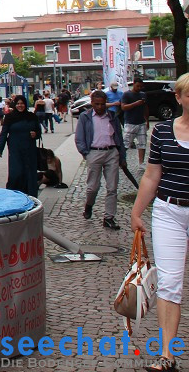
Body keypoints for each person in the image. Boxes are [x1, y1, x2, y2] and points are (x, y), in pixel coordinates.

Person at [130, 73, 189, 372]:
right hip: (169, 212)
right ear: (178, 98)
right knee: (169, 285)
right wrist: (138, 211)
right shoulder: (163, 131)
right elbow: (152, 175)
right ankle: (168, 355)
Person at [75, 89, 126, 230]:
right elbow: (79, 138)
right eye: (96, 104)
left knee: (112, 187)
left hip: (111, 152)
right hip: (94, 152)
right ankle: (89, 205)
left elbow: (119, 137)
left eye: (102, 104)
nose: (100, 107)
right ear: (92, 103)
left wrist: (122, 155)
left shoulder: (112, 116)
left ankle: (109, 217)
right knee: (93, 187)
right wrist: (86, 153)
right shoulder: (85, 117)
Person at [0, 95, 41, 197]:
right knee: (16, 173)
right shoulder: (10, 117)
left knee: (29, 174)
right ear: (15, 105)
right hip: (15, 150)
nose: (20, 106)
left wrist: (35, 134)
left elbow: (39, 131)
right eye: (18, 104)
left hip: (29, 150)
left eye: (22, 104)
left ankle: (31, 197)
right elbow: (4, 134)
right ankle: (14, 197)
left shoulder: (32, 116)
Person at [122, 77, 150, 165]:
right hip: (130, 122)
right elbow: (123, 107)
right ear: (133, 84)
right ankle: (121, 160)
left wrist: (147, 120)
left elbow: (145, 108)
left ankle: (141, 163)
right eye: (138, 86)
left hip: (141, 122)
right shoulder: (126, 94)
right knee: (126, 143)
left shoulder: (143, 94)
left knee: (142, 143)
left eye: (141, 87)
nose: (139, 88)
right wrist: (136, 104)